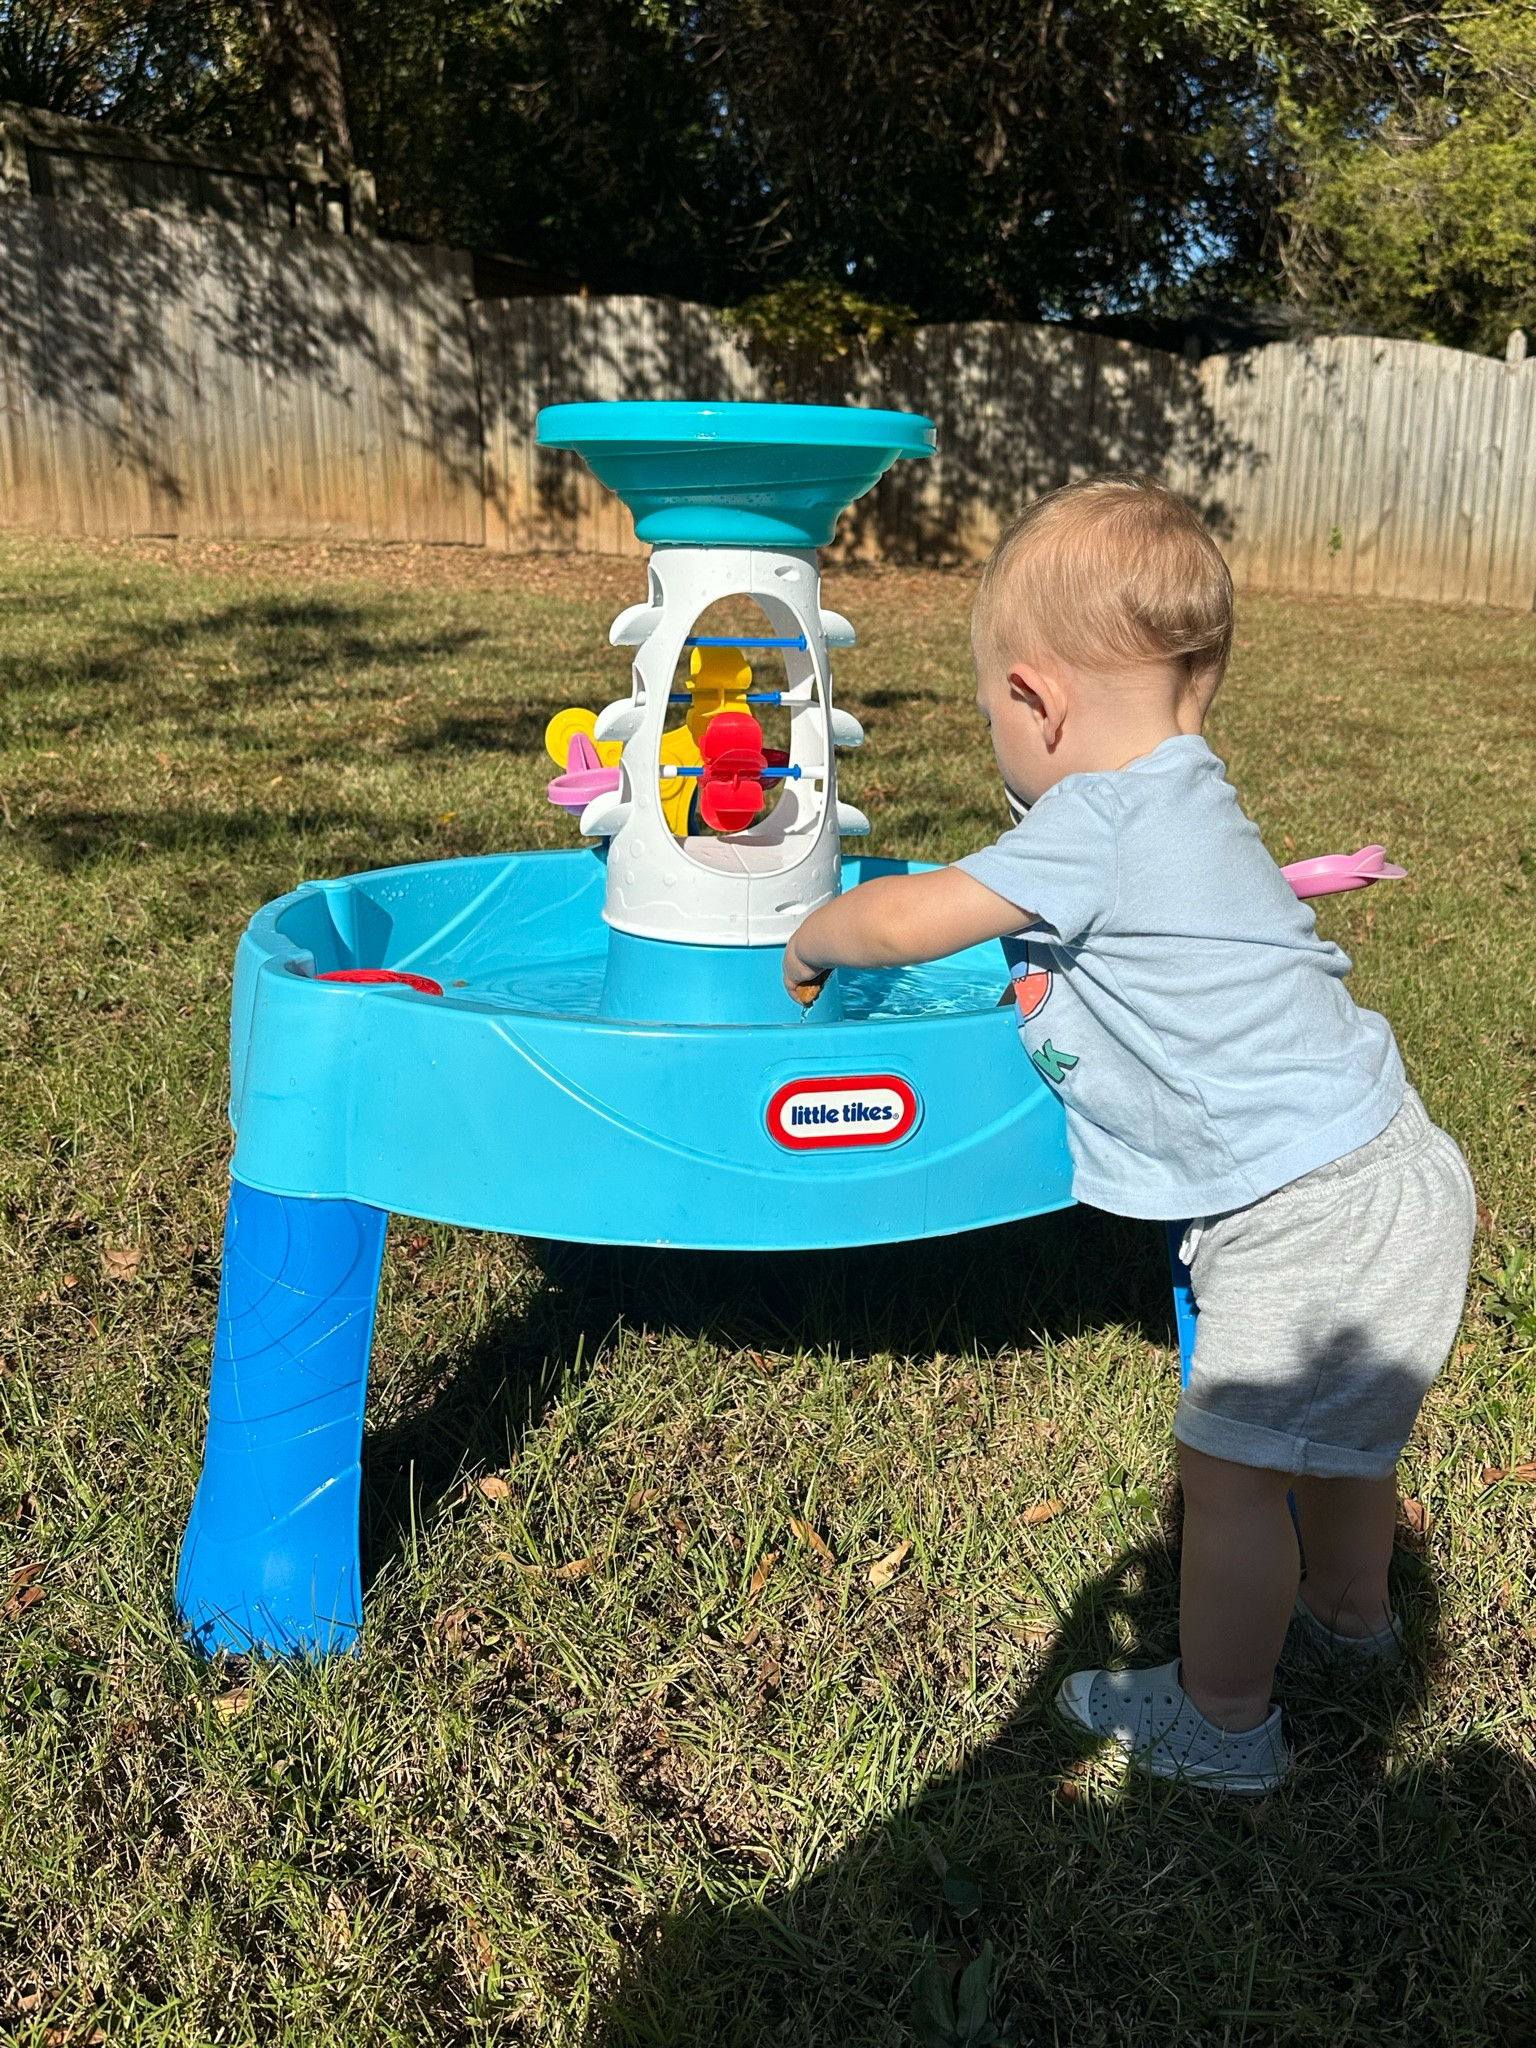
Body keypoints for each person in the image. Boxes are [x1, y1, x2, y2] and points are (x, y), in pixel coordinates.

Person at [781, 475, 1477, 1795]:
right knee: (1341, 1449)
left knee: (1229, 1480)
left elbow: (914, 921)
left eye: (995, 714)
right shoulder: (1190, 794)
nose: (1001, 742)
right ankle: (1351, 1622)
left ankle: (1221, 1725)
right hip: (1393, 1169)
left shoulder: (1092, 817)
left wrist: (818, 935)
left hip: (1304, 1207)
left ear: (1037, 700)